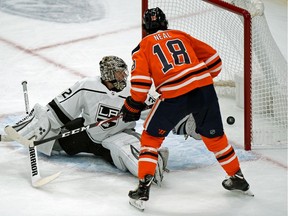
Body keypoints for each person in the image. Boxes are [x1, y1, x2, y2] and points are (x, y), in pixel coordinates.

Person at [120, 7, 252, 209]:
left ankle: (142, 189)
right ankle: (237, 177)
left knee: (151, 138)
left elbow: (140, 83)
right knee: (215, 138)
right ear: (165, 23)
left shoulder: (142, 47)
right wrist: (200, 80)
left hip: (174, 96)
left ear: (145, 28)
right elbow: (215, 60)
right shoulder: (181, 35)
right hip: (204, 91)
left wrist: (133, 104)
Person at [7, 55, 169, 186]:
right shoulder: (87, 86)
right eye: (119, 73)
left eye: (124, 72)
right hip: (87, 133)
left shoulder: (133, 92)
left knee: (147, 168)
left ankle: (152, 157)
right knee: (46, 140)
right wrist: (40, 126)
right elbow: (58, 111)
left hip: (118, 135)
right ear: (108, 74)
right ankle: (17, 134)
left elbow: (158, 112)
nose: (124, 76)